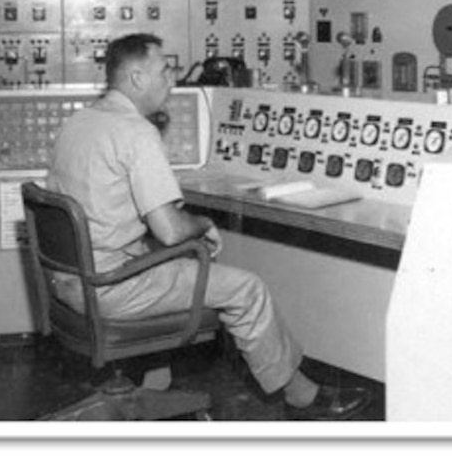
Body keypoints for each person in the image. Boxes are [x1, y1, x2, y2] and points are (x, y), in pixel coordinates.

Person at [47, 33, 371, 420]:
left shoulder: (79, 122)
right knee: (247, 288)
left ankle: (153, 387)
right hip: (111, 287)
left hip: (69, 281)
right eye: (164, 69)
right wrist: (203, 224)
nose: (173, 78)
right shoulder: (135, 132)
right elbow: (168, 229)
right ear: (136, 78)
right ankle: (300, 394)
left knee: (168, 264)